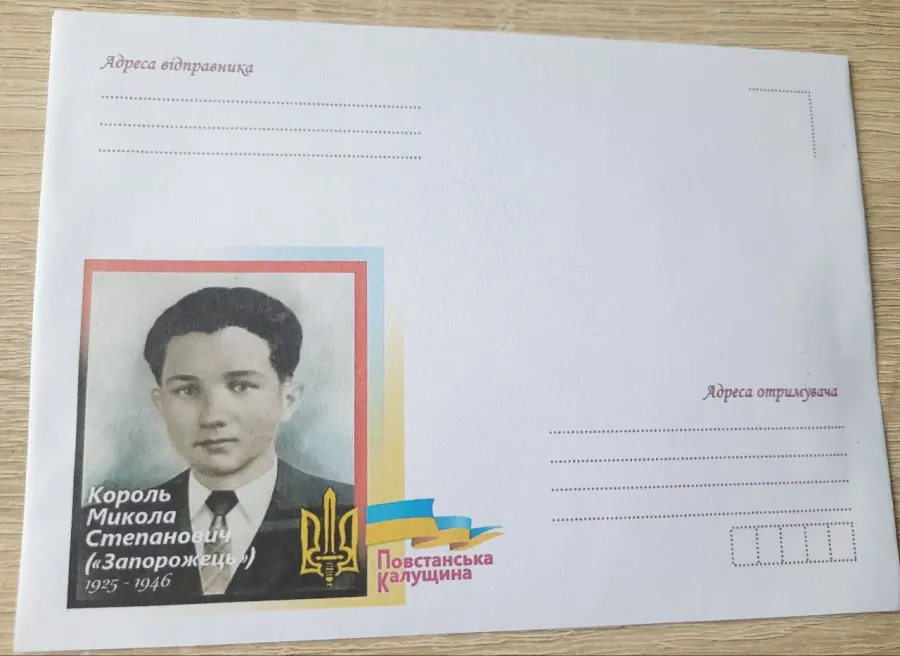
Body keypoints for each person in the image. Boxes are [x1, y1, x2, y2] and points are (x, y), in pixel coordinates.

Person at [73, 286, 361, 606]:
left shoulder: (354, 515)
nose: (212, 417)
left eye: (240, 386)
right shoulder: (101, 529)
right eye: (187, 390)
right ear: (160, 404)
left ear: (288, 399)